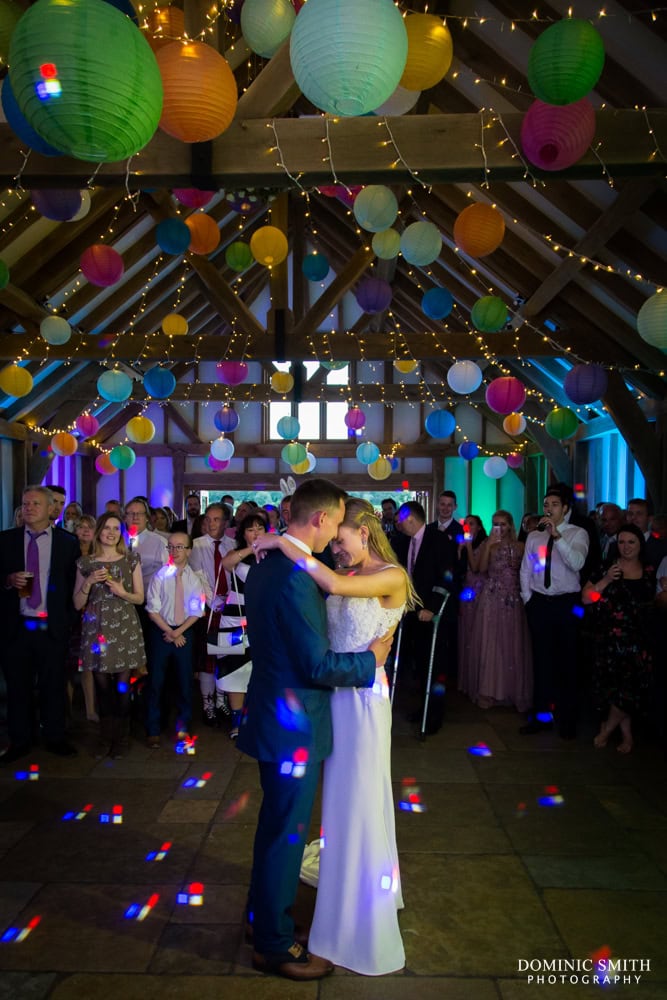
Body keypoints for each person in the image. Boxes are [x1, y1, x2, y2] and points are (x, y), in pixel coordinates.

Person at [237, 479, 393, 982]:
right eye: (337, 522)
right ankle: (275, 946)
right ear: (322, 520)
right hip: (294, 725)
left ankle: (261, 919)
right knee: (286, 834)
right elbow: (318, 664)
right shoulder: (293, 578)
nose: (336, 537)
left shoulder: (268, 567)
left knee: (275, 828)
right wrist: (370, 662)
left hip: (272, 713)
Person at [0, 485, 79, 763]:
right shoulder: (6, 540)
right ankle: (20, 740)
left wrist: (67, 620)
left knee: (53, 684)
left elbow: (74, 585)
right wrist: (9, 581)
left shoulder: (67, 543)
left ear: (50, 509)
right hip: (17, 625)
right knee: (18, 686)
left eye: (35, 504)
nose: (28, 508)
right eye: (25, 504)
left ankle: (55, 737)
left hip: (51, 625)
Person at [519, 486, 589, 739]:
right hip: (540, 602)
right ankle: (540, 717)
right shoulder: (534, 536)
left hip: (566, 602)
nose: (548, 508)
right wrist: (528, 598)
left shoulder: (577, 534)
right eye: (546, 503)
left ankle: (568, 720)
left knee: (568, 662)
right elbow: (526, 569)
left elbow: (577, 563)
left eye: (555, 504)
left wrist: (557, 536)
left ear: (566, 508)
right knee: (541, 662)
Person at [73, 513, 145, 758]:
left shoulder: (131, 560)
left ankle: (122, 739)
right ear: (98, 532)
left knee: (123, 689)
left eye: (116, 528)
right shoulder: (85, 563)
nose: (111, 532)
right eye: (107, 528)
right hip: (97, 629)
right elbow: (76, 603)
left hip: (124, 626)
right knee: (103, 690)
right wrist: (90, 581)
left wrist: (121, 591)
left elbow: (139, 598)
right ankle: (105, 739)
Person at [582, 523, 656, 753]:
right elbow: (586, 598)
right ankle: (626, 734)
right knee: (612, 687)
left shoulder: (649, 571)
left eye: (631, 542)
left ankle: (607, 730)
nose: (626, 547)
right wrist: (605, 581)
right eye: (622, 542)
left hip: (637, 639)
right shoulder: (606, 567)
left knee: (631, 688)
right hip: (607, 637)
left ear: (639, 545)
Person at [145, 532, 209, 748]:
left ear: (189, 551)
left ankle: (183, 726)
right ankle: (153, 728)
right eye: (171, 547)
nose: (174, 551)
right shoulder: (159, 576)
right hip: (161, 630)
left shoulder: (194, 579)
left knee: (184, 681)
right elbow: (152, 609)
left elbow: (197, 611)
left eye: (180, 547)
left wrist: (179, 632)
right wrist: (170, 632)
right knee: (156, 681)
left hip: (184, 631)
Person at [468, 511, 532, 712]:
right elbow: (480, 568)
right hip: (492, 597)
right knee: (492, 643)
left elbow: (530, 572)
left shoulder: (522, 546)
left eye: (503, 524)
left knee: (512, 644)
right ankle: (490, 691)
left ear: (511, 525)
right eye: (495, 524)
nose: (500, 528)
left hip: (514, 599)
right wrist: (488, 545)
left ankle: (512, 691)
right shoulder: (489, 544)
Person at [215, 513, 267, 739]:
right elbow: (226, 563)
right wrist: (251, 548)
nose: (256, 532)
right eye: (250, 529)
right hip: (233, 619)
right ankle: (236, 720)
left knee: (260, 670)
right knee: (232, 670)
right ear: (242, 533)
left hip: (262, 621)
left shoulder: (274, 556)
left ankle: (255, 718)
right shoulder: (236, 555)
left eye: (260, 528)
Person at [190, 502, 235, 725]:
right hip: (208, 609)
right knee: (207, 660)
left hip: (230, 609)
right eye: (208, 519)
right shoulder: (197, 545)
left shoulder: (233, 544)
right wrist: (212, 601)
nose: (211, 523)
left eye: (216, 519)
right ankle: (207, 705)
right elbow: (199, 576)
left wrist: (229, 601)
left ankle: (221, 701)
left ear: (226, 522)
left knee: (225, 656)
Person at [67, 514, 99, 724]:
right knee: (68, 665)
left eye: (89, 527)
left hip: (93, 614)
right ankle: (66, 710)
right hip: (70, 613)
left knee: (89, 664)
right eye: (80, 527)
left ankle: (90, 710)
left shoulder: (98, 555)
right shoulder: (68, 554)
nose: (85, 531)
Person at [457, 514, 487, 700]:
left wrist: (467, 546)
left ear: (478, 526)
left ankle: (478, 679)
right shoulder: (461, 542)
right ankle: (466, 678)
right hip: (466, 589)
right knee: (466, 631)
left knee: (479, 632)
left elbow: (477, 568)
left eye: (472, 524)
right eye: (466, 524)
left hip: (480, 589)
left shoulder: (484, 544)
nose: (468, 526)